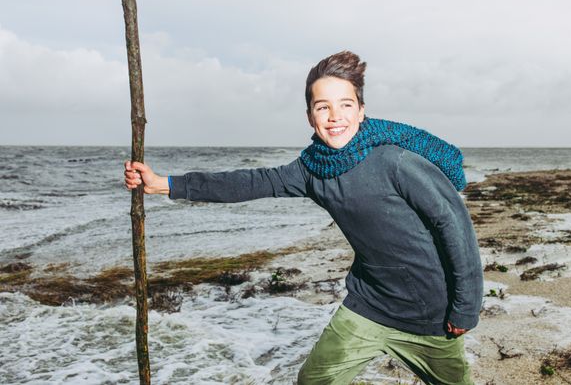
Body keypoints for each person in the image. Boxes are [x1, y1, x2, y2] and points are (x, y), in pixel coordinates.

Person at [124, 51, 483, 385]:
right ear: (310, 116)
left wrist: (465, 308)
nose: (335, 116)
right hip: (369, 306)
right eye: (322, 107)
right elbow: (251, 182)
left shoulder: (396, 162)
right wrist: (166, 184)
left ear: (361, 111)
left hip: (433, 316)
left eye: (345, 105)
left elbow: (454, 226)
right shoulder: (312, 170)